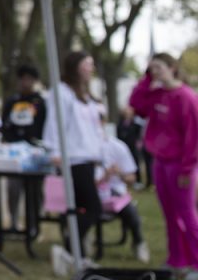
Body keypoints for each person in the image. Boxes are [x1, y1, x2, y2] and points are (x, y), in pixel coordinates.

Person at [128, 52, 198, 276]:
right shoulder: (157, 94)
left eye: (158, 68)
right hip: (160, 162)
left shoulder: (186, 97)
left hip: (180, 164)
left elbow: (193, 136)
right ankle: (177, 260)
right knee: (168, 214)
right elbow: (136, 104)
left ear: (172, 68)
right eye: (152, 69)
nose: (156, 72)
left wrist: (187, 168)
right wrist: (146, 79)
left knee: (186, 214)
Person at [42, 50, 104, 269]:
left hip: (88, 157)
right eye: (87, 64)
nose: (91, 68)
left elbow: (93, 128)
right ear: (76, 67)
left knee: (82, 208)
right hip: (73, 159)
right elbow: (54, 123)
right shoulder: (61, 92)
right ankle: (70, 250)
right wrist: (55, 151)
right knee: (93, 207)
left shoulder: (84, 94)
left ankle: (73, 253)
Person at [95, 114, 150, 264]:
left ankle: (139, 242)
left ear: (103, 122)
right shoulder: (81, 148)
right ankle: (76, 246)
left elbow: (132, 177)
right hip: (92, 192)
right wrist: (101, 178)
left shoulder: (117, 146)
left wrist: (118, 173)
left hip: (114, 193)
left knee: (130, 211)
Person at [1, 64, 46, 227]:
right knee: (13, 188)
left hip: (35, 152)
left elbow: (44, 125)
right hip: (14, 152)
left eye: (29, 79)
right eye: (23, 78)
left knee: (34, 189)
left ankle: (34, 222)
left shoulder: (40, 102)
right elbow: (5, 124)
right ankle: (14, 221)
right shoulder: (12, 101)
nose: (25, 82)